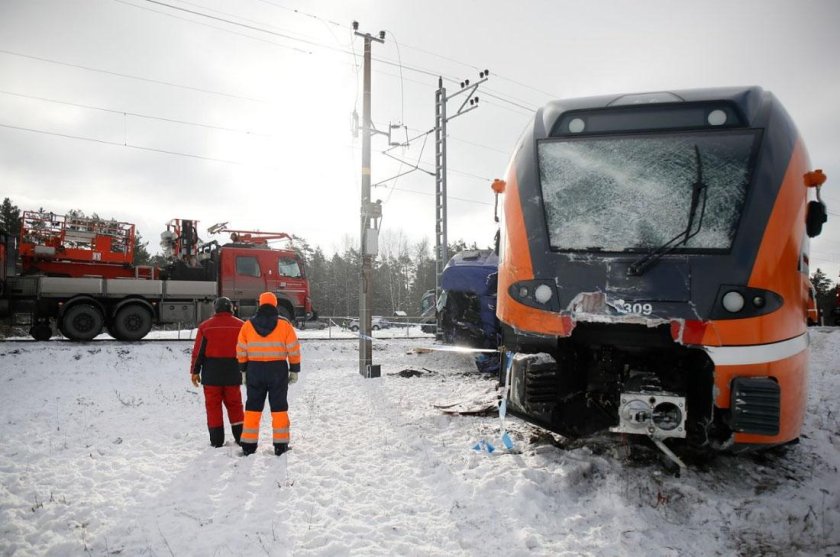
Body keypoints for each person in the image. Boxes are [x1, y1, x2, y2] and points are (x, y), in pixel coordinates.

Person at [236, 292, 301, 456]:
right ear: (275, 304)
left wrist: (243, 369)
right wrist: (294, 369)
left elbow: (241, 349)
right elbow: (293, 348)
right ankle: (281, 445)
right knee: (279, 407)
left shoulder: (248, 325)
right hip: (277, 370)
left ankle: (248, 446)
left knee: (253, 407)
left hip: (254, 370)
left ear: (260, 304)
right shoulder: (284, 325)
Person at [190, 296, 245, 448]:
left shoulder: (205, 326)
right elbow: (248, 350)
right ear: (231, 309)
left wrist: (195, 372)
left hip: (211, 374)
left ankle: (216, 440)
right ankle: (241, 437)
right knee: (235, 405)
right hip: (234, 372)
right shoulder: (241, 326)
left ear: (215, 309)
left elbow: (198, 352)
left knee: (213, 407)